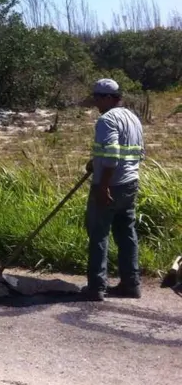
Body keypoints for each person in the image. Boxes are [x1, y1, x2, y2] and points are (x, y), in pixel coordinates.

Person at [82, 78, 145, 301]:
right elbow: (137, 153)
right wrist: (94, 162)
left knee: (98, 234)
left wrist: (104, 185)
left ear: (110, 98)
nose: (96, 102)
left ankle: (96, 288)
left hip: (110, 186)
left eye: (99, 97)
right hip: (130, 184)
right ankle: (131, 284)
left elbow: (112, 154)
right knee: (126, 233)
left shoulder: (106, 120)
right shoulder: (133, 117)